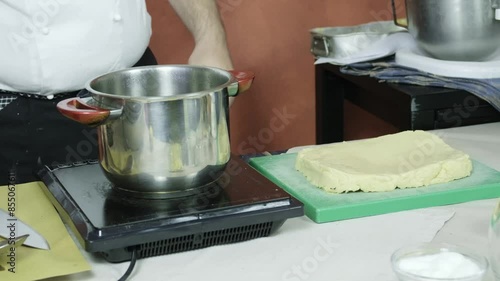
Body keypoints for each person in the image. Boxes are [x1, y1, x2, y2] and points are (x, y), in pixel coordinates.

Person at [0, 0, 234, 185]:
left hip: (135, 96)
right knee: (23, 231)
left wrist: (210, 39)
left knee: (147, 219)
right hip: (18, 114)